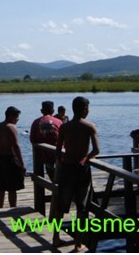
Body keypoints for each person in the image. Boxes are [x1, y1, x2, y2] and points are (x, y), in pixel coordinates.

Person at [53, 96, 100, 252]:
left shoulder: (65, 127)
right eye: (88, 108)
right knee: (82, 208)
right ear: (85, 109)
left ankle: (55, 237)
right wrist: (85, 159)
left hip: (66, 168)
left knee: (61, 205)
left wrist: (61, 162)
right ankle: (78, 244)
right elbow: (96, 150)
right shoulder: (89, 126)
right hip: (81, 170)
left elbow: (58, 150)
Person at [0, 106, 26, 208]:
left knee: (0, 187)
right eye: (17, 117)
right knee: (12, 188)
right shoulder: (11, 127)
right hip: (10, 159)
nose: (18, 119)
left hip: (0, 158)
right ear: (11, 116)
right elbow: (16, 146)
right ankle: (13, 208)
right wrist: (22, 164)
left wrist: (0, 141)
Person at [29, 101, 63, 180]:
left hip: (44, 156)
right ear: (53, 111)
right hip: (58, 154)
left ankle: (55, 189)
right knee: (60, 176)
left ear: (41, 111)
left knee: (51, 174)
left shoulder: (36, 122)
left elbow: (32, 139)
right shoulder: (59, 122)